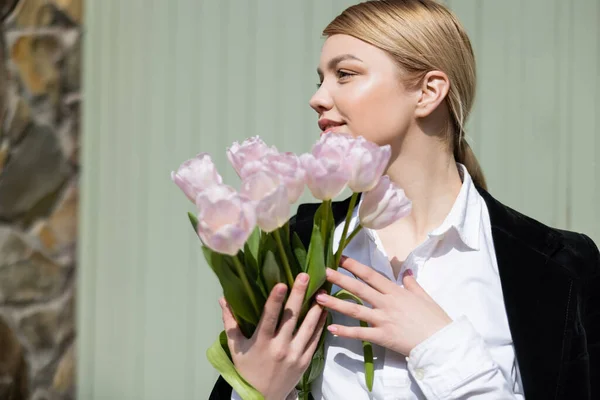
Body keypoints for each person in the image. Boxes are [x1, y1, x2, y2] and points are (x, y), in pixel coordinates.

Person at [210, 0, 600, 399]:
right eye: (320, 80)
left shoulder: (558, 263)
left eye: (345, 74)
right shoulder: (294, 244)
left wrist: (439, 348)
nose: (319, 98)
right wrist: (257, 392)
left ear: (428, 92)